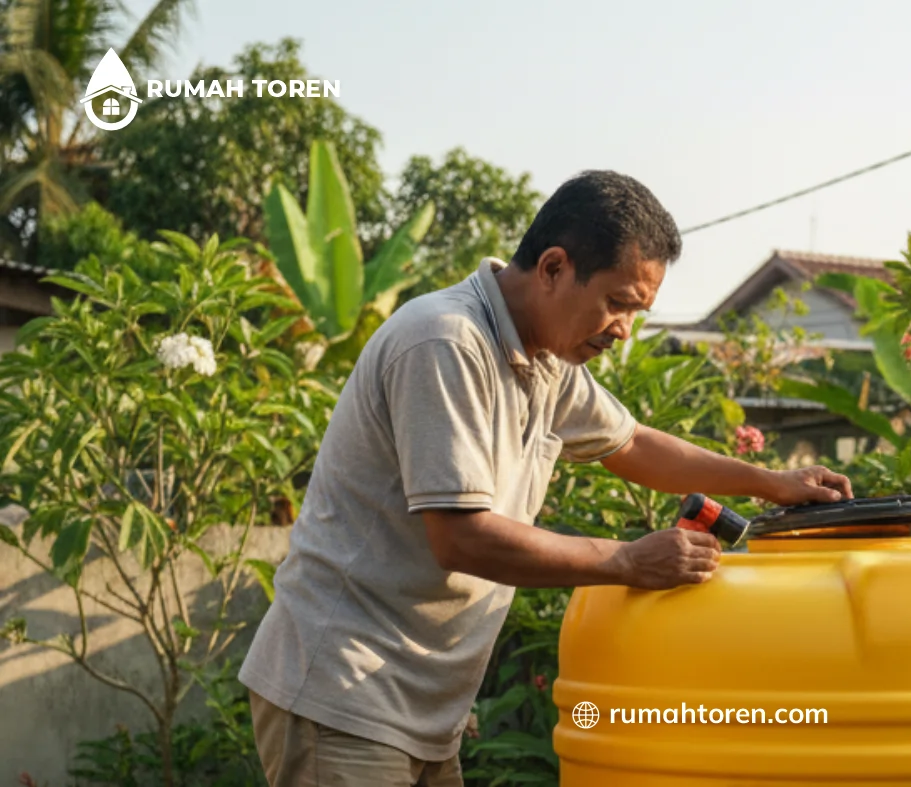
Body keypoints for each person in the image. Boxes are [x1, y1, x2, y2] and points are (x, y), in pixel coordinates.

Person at [238, 170, 853, 786]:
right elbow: (461, 538)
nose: (623, 329)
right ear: (554, 268)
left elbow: (632, 443)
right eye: (617, 303)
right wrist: (627, 560)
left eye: (636, 312)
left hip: (415, 704)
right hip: (343, 695)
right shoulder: (446, 342)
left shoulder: (545, 359)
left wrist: (770, 482)